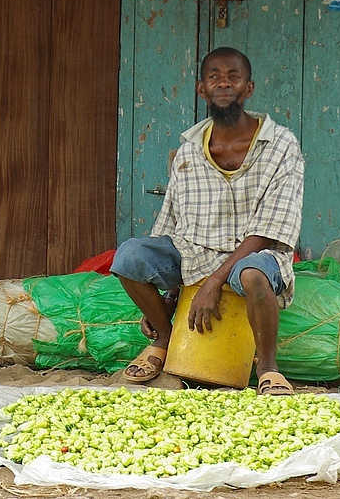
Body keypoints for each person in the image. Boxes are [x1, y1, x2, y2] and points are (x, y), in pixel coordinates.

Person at [111, 47, 305, 395]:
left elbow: (270, 229)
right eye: (214, 76)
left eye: (234, 76)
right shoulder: (189, 150)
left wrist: (214, 282)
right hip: (194, 253)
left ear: (249, 88)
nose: (224, 83)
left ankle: (268, 369)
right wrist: (169, 298)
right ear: (202, 89)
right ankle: (165, 339)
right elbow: (171, 222)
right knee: (129, 256)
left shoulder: (281, 145)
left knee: (253, 274)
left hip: (255, 255)